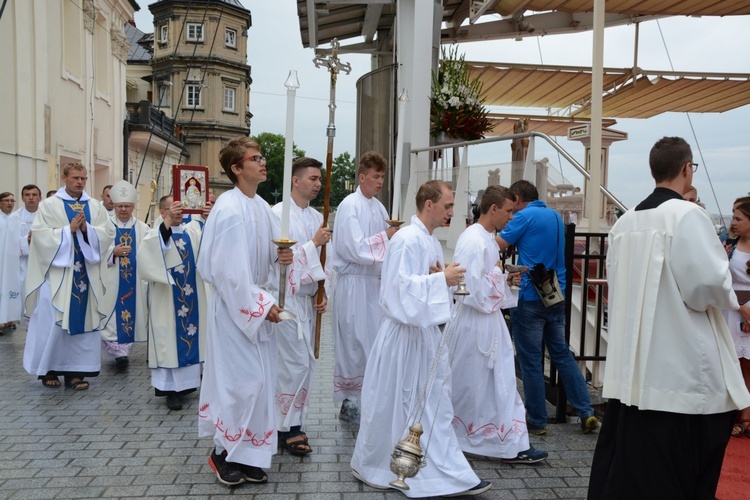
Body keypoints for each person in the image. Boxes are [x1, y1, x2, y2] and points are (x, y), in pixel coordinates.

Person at [587, 137, 750, 499]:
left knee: (636, 474)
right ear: (686, 169)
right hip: (683, 374)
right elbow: (707, 285)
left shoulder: (625, 223)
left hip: (635, 375)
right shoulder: (688, 215)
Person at [351, 180, 492, 498]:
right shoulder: (406, 239)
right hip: (404, 336)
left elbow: (418, 282)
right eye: (447, 205)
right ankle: (404, 467)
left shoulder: (426, 240)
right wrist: (441, 278)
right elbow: (395, 291)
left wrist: (437, 277)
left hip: (421, 334)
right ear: (428, 204)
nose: (452, 212)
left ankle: (443, 470)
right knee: (408, 404)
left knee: (429, 404)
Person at [196, 137, 293, 487]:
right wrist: (260, 306)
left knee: (262, 381)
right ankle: (222, 452)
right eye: (256, 158)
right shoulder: (228, 207)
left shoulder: (262, 207)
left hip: (255, 308)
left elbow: (262, 259)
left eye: (262, 157)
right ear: (237, 169)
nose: (263, 162)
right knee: (241, 382)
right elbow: (227, 272)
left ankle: (249, 454)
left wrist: (280, 257)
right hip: (235, 311)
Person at [448, 185, 548, 464]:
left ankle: (508, 442)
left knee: (499, 384)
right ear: (493, 209)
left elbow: (485, 281)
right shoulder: (473, 240)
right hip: (475, 323)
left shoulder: (487, 239)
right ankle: (483, 440)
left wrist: (506, 281)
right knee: (476, 385)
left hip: (488, 320)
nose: (511, 218)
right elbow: (467, 288)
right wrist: (500, 280)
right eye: (508, 211)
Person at [497, 179, 598, 435]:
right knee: (562, 354)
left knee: (531, 361)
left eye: (512, 205)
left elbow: (497, 243)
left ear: (518, 199)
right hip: (556, 293)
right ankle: (585, 410)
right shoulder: (554, 216)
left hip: (531, 295)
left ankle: (538, 421)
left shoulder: (523, 217)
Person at [22, 162, 115, 390]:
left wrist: (87, 230)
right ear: (64, 178)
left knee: (83, 324)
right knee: (53, 323)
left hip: (86, 276)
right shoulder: (50, 206)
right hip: (57, 276)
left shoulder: (94, 205)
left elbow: (109, 232)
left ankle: (76, 372)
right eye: (75, 178)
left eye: (83, 178)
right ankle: (49, 370)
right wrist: (68, 230)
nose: (80, 182)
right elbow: (40, 236)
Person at [331, 151, 398, 422]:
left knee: (373, 342)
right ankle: (350, 402)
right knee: (354, 342)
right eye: (375, 176)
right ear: (362, 177)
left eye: (382, 177)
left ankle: (369, 397)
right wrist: (387, 236)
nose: (379, 182)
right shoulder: (350, 205)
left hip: (373, 284)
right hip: (353, 284)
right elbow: (354, 248)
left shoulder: (379, 208)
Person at [271, 157, 331, 456]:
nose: (318, 184)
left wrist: (323, 293)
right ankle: (289, 428)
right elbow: (279, 262)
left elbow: (324, 261)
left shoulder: (314, 216)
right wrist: (313, 242)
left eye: (320, 179)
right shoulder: (278, 214)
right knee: (291, 365)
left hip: (306, 301)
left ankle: (290, 422)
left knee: (306, 365)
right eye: (312, 178)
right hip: (286, 301)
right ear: (295, 181)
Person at [138, 195, 207, 411]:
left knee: (190, 337)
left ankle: (187, 387)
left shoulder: (192, 232)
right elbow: (149, 256)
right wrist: (166, 223)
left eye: (180, 210)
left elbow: (209, 246)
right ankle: (169, 391)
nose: (178, 214)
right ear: (162, 212)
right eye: (172, 210)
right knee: (168, 341)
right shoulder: (153, 234)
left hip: (192, 298)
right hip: (167, 299)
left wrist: (208, 217)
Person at [100, 181, 149, 369]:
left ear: (133, 207)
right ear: (114, 205)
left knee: (131, 313)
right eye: (119, 206)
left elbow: (150, 251)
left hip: (134, 281)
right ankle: (117, 351)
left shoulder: (143, 228)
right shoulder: (105, 226)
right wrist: (113, 252)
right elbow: (97, 250)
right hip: (111, 279)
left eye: (127, 206)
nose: (123, 209)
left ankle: (124, 351)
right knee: (112, 317)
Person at [722, 199, 750, 437]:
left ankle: (747, 417)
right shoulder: (728, 244)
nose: (734, 222)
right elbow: (718, 279)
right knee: (732, 364)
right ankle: (732, 415)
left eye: (739, 218)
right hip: (731, 309)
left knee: (749, 366)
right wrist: (741, 307)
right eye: (733, 217)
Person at [11, 185, 42, 311]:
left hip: (42, 262)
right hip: (23, 263)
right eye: (27, 195)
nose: (31, 198)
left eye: (34, 195)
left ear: (40, 198)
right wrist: (27, 240)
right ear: (22, 198)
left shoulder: (46, 215)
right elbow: (10, 243)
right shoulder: (14, 218)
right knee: (24, 292)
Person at [0, 191, 22, 334]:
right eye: (6, 200)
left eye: (12, 201)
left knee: (9, 288)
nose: (10, 203)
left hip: (12, 261)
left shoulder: (16, 219)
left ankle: (7, 318)